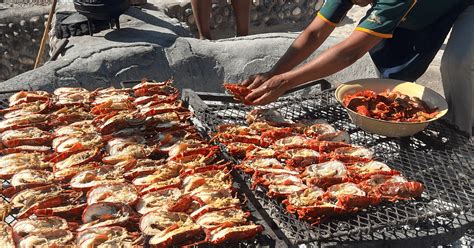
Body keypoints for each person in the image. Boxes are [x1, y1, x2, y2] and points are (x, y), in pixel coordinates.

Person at [240, 0, 474, 136]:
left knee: (458, 62)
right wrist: (275, 73)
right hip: (424, 8)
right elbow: (315, 32)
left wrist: (287, 82)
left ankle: (460, 136)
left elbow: (350, 51)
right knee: (393, 73)